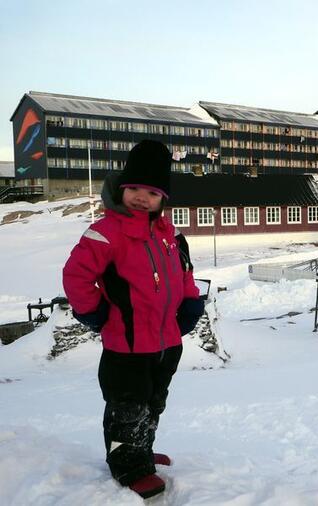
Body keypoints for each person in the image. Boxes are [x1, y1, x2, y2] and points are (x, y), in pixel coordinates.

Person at [63, 140, 204, 499]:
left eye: (152, 192)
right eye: (135, 189)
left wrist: (190, 302)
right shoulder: (106, 232)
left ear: (163, 199)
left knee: (155, 400)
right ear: (122, 188)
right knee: (128, 406)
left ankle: (141, 448)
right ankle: (127, 464)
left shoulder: (169, 235)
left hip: (166, 342)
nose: (142, 197)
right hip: (126, 344)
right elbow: (76, 276)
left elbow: (183, 273)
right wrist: (94, 311)